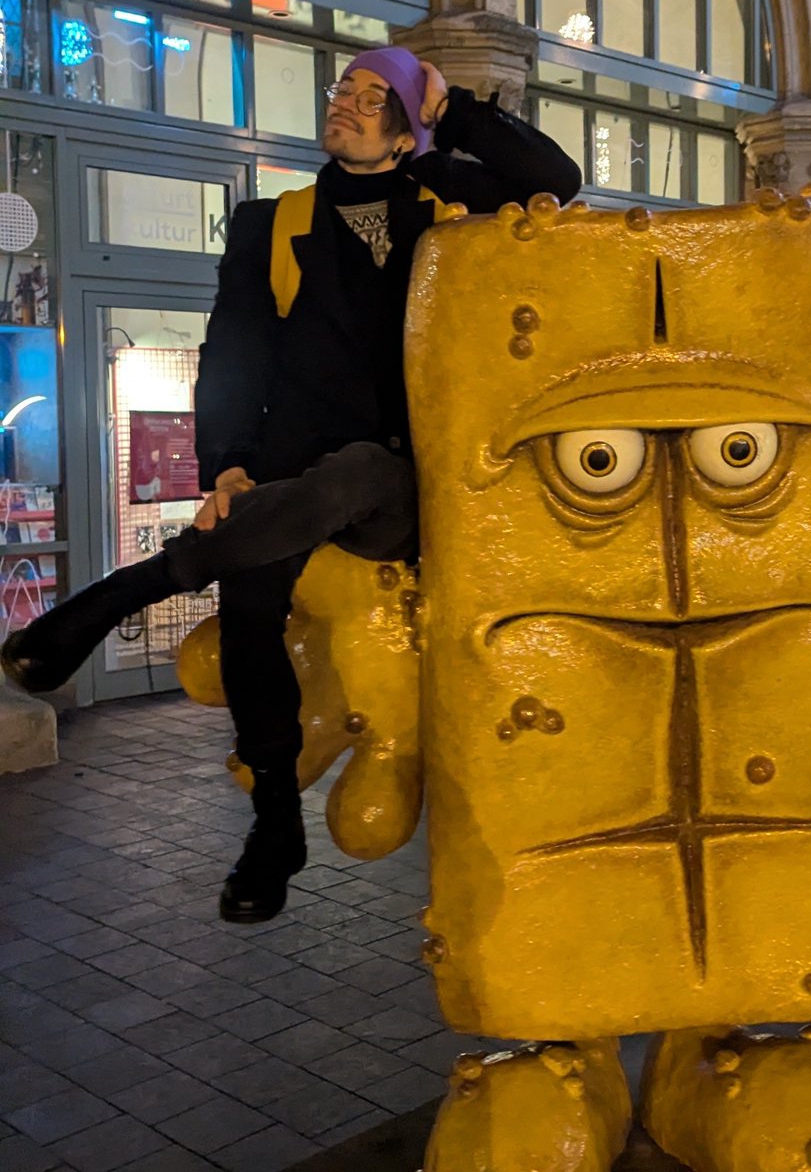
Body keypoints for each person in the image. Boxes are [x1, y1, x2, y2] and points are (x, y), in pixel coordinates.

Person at [1, 46, 581, 924]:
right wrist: (227, 462)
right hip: (282, 469)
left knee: (351, 474)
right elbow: (232, 349)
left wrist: (446, 112)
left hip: (399, 472)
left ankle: (130, 589)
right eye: (340, 91)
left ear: (405, 125)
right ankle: (274, 826)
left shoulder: (447, 204)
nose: (344, 104)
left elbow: (556, 180)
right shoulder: (272, 223)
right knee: (249, 604)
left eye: (370, 95)